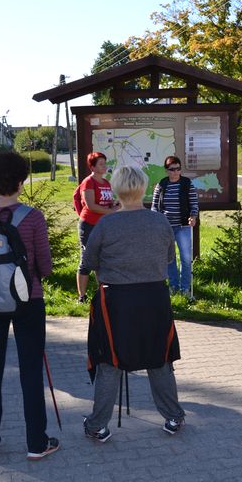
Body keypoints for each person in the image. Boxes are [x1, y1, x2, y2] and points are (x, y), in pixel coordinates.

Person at [82, 165, 185, 442]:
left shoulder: (106, 224)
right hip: (154, 298)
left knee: (110, 360)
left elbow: (88, 263)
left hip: (116, 301)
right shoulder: (161, 221)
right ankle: (173, 415)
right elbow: (167, 259)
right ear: (143, 187)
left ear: (116, 189)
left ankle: (97, 425)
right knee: (159, 357)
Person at [0, 151, 58, 461]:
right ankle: (36, 443)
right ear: (21, 181)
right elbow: (44, 267)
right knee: (30, 371)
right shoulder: (32, 217)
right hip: (28, 300)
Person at [151, 155, 199, 299]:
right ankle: (173, 286)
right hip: (166, 228)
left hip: (183, 226)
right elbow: (155, 206)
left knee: (185, 258)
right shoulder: (162, 184)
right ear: (167, 170)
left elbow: (194, 203)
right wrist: (156, 222)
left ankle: (185, 289)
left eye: (178, 169)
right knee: (170, 259)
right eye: (172, 169)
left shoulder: (186, 183)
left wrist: (193, 216)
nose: (176, 172)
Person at [76, 152, 119, 303]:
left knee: (102, 259)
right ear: (92, 166)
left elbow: (106, 202)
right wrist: (111, 211)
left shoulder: (106, 183)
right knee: (87, 259)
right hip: (88, 225)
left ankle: (101, 293)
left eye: (105, 163)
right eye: (101, 164)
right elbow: (91, 205)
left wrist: (114, 205)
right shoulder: (88, 182)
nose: (104, 166)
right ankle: (82, 297)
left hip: (103, 225)